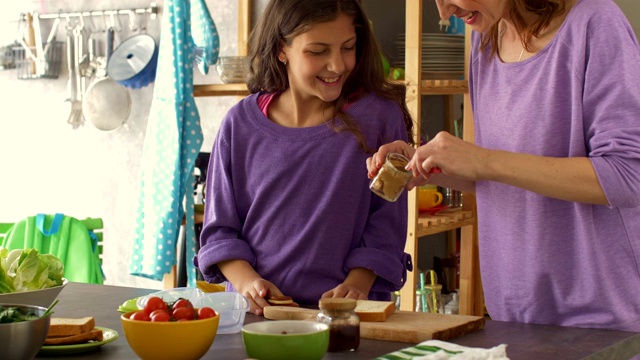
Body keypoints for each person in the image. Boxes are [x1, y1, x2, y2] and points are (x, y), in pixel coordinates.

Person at [367, 0, 640, 332]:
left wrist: (482, 160)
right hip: (512, 314)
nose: (444, 12)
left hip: (600, 320)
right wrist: (426, 162)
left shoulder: (596, 22)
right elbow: (497, 175)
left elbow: (627, 176)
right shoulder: (485, 39)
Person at [196, 0, 414, 315]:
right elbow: (219, 228)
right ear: (282, 49)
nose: (337, 65)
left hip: (348, 318)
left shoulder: (380, 117)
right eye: (318, 51)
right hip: (256, 316)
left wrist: (358, 283)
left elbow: (387, 223)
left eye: (348, 47)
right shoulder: (239, 123)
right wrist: (248, 283)